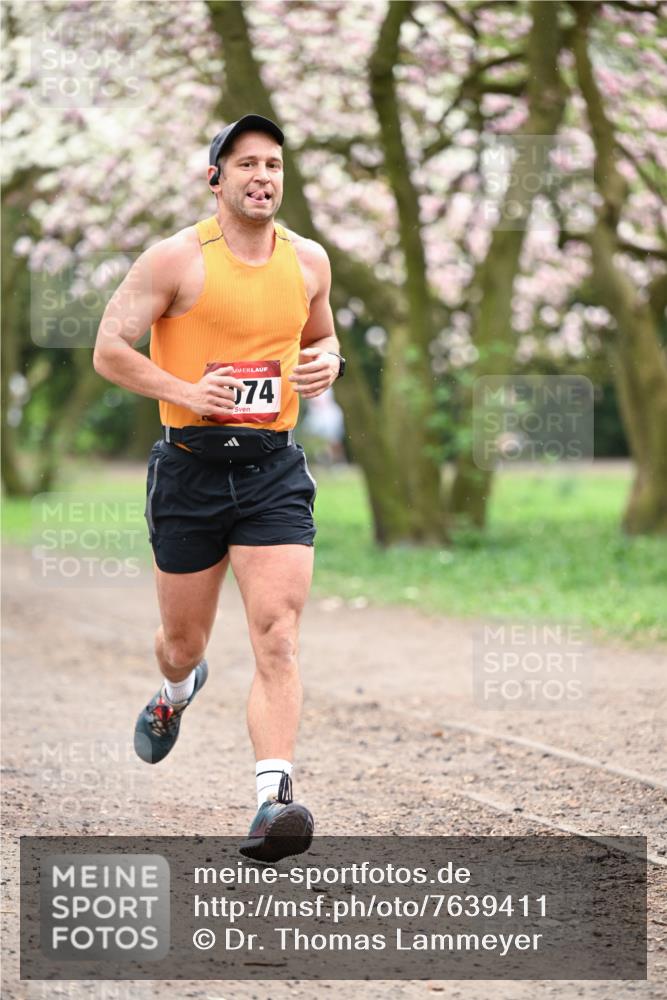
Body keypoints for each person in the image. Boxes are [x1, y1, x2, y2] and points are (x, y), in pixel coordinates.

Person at [93, 114, 345, 863]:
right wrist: (188, 392)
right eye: (246, 165)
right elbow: (109, 349)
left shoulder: (307, 262)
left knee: (278, 635)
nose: (263, 176)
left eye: (273, 164)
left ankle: (274, 800)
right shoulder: (174, 260)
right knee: (181, 642)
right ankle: (176, 689)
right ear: (217, 179)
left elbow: (321, 336)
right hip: (190, 469)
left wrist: (328, 362)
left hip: (272, 470)